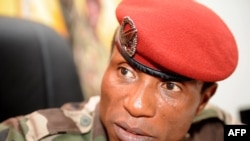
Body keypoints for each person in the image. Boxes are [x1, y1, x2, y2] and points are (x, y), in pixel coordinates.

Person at [0, 0, 239, 140]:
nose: (136, 106)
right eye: (126, 72)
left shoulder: (214, 128)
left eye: (169, 86)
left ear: (203, 101)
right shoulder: (34, 134)